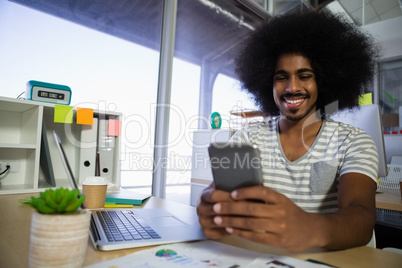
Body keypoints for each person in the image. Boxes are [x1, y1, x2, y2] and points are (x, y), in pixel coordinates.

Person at [196, 9, 381, 252]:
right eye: (281, 77)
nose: (292, 87)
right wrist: (213, 209)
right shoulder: (247, 138)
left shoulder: (354, 141)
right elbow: (224, 199)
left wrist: (308, 229)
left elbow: (362, 218)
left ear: (323, 81)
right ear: (268, 83)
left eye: (305, 76)